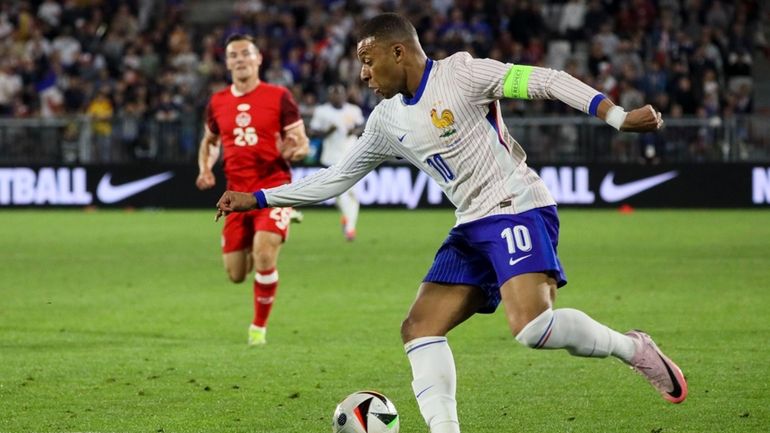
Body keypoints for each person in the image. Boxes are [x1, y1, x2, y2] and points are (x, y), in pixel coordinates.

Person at [215, 13, 687, 431]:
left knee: (531, 328)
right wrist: (256, 198)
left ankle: (633, 349)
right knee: (419, 328)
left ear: (398, 51)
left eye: (368, 59)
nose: (362, 73)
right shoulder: (384, 121)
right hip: (471, 224)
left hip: (516, 205)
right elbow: (335, 178)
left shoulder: (462, 74)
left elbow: (547, 80)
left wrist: (617, 115)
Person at [196, 34, 309, 346]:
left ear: (259, 58)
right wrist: (205, 168)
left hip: (274, 189)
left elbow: (301, 142)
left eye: (246, 53)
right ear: (227, 62)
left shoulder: (279, 96)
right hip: (235, 195)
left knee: (263, 254)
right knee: (236, 274)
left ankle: (258, 329)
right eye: (233, 55)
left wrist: (293, 151)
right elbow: (210, 142)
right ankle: (279, 224)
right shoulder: (218, 101)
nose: (240, 59)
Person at [309, 84, 365, 240]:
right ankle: (347, 220)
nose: (337, 97)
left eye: (340, 94)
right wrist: (328, 131)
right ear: (329, 96)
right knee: (339, 195)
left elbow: (362, 125)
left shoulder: (353, 110)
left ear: (345, 95)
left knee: (353, 194)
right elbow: (313, 131)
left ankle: (350, 228)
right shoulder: (322, 111)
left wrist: (354, 130)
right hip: (331, 159)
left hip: (352, 157)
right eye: (334, 94)